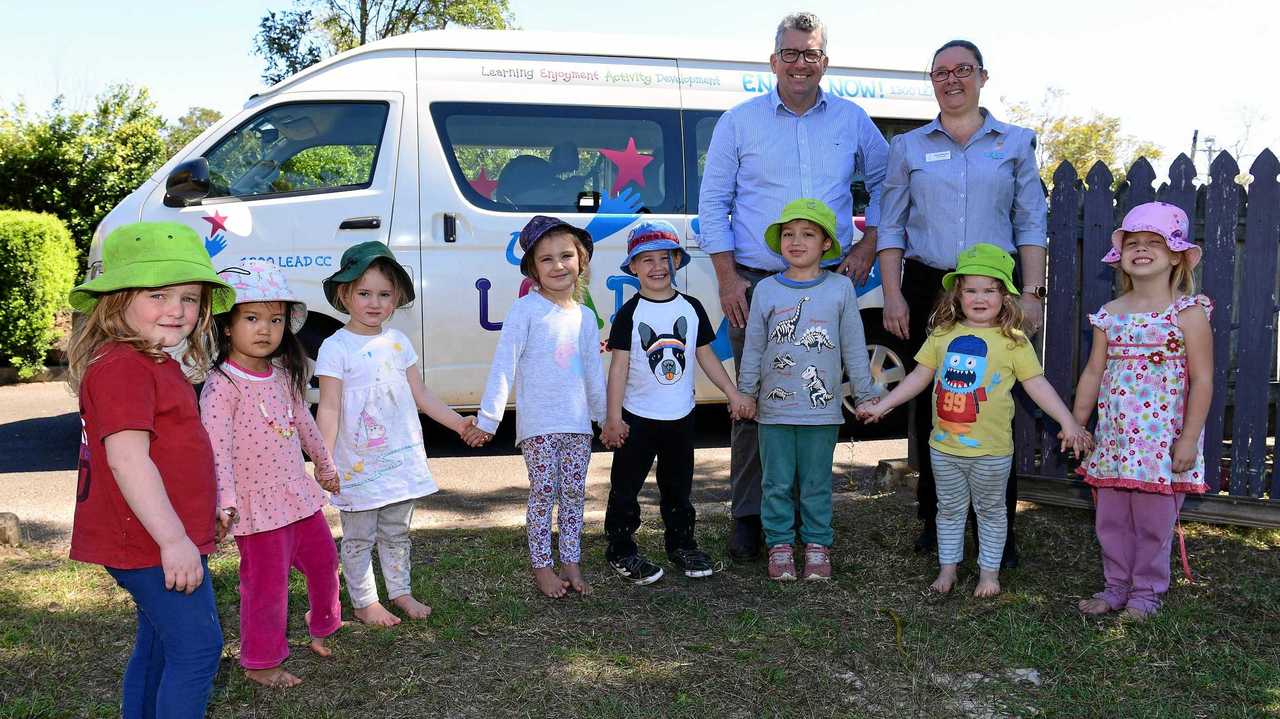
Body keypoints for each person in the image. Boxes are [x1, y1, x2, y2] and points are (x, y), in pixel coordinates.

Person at [699, 11, 889, 560]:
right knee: (755, 396)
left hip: (826, 284)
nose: (800, 62)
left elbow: (886, 185)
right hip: (755, 283)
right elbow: (714, 205)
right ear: (773, 59)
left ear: (825, 61)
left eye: (810, 53)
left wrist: (866, 245)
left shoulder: (852, 120)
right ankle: (749, 516)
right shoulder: (739, 121)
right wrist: (728, 278)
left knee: (816, 395)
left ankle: (808, 520)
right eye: (790, 52)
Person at [876, 39, 1049, 564]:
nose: (951, 80)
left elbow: (1031, 222)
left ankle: (1000, 534)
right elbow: (891, 227)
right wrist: (892, 295)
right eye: (940, 72)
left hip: (995, 287)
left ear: (983, 76)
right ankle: (935, 522)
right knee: (937, 404)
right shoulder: (907, 147)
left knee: (997, 400)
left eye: (963, 70)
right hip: (929, 284)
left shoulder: (1015, 142)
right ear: (931, 80)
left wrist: (1034, 294)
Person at [65, 221, 234, 718]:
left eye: (189, 297)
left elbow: (175, 455)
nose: (177, 310)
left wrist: (199, 521)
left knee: (161, 645)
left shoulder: (152, 361)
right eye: (158, 294)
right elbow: (127, 458)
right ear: (117, 300)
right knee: (198, 649)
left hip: (161, 536)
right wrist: (174, 540)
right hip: (148, 542)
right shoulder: (123, 367)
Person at [861, 244, 1091, 596]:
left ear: (1004, 295)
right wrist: (884, 405)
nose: (979, 298)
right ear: (957, 294)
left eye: (989, 289)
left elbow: (1037, 385)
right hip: (944, 448)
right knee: (948, 510)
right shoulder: (941, 335)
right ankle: (948, 569)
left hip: (992, 452)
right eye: (970, 289)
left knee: (991, 513)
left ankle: (989, 574)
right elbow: (919, 378)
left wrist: (1068, 421)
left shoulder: (1012, 341)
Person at [316, 241, 481, 627]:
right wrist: (324, 461)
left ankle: (400, 591)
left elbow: (421, 395)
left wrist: (459, 423)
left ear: (397, 299)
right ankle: (365, 601)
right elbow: (329, 407)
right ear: (345, 294)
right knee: (358, 537)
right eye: (364, 293)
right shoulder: (334, 347)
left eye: (384, 294)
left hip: (399, 461)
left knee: (396, 532)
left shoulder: (398, 342)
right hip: (357, 465)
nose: (374, 303)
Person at [199, 262, 342, 688]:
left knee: (323, 561)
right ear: (227, 326)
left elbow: (304, 423)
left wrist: (325, 466)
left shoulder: (282, 375)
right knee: (267, 586)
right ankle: (261, 661)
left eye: (275, 319)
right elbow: (216, 451)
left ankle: (323, 625)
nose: (265, 329)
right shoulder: (221, 386)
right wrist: (224, 502)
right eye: (252, 318)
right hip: (255, 506)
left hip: (296, 495)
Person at [1071, 202, 1212, 620]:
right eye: (1133, 243)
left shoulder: (1188, 313)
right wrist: (1077, 424)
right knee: (1110, 521)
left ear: (1176, 256)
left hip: (1161, 447)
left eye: (1155, 242)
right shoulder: (1110, 315)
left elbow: (1202, 380)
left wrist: (1188, 438)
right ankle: (1116, 586)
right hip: (1115, 442)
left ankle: (1147, 592)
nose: (1142, 249)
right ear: (1122, 258)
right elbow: (1094, 372)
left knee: (1153, 524)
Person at [600, 221, 756, 585]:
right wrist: (612, 418)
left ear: (676, 261)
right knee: (625, 487)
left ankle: (681, 543)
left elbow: (705, 356)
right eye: (646, 259)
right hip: (637, 419)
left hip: (680, 419)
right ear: (633, 267)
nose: (657, 266)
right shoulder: (629, 315)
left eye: (664, 258)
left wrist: (733, 394)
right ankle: (620, 547)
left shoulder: (691, 308)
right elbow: (618, 369)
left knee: (678, 488)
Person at [736, 199, 880, 581]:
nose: (796, 242)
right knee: (776, 482)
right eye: (788, 234)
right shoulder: (765, 290)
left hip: (822, 411)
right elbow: (754, 346)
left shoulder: (840, 289)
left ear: (826, 244)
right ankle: (779, 545)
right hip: (774, 411)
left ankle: (817, 545)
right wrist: (746, 392)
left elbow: (853, 344)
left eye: (807, 234)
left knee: (816, 482)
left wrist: (865, 395)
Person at [473, 216, 607, 598]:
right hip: (539, 427)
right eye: (546, 259)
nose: (558, 265)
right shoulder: (525, 311)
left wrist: (604, 418)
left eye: (566, 256)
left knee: (574, 494)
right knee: (544, 493)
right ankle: (541, 565)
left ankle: (570, 560)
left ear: (581, 261)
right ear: (533, 268)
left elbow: (593, 373)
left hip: (578, 426)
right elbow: (504, 365)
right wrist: (488, 419)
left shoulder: (583, 317)